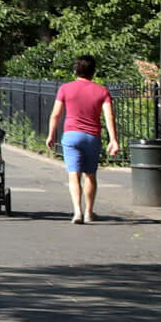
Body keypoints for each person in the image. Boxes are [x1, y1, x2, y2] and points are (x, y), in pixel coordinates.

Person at [45, 54, 121, 224]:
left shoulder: (65, 89)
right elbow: (109, 116)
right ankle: (89, 212)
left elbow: (56, 114)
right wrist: (113, 139)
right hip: (92, 136)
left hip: (71, 135)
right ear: (93, 72)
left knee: (74, 175)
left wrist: (51, 134)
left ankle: (77, 212)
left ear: (75, 70)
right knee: (90, 175)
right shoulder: (102, 91)